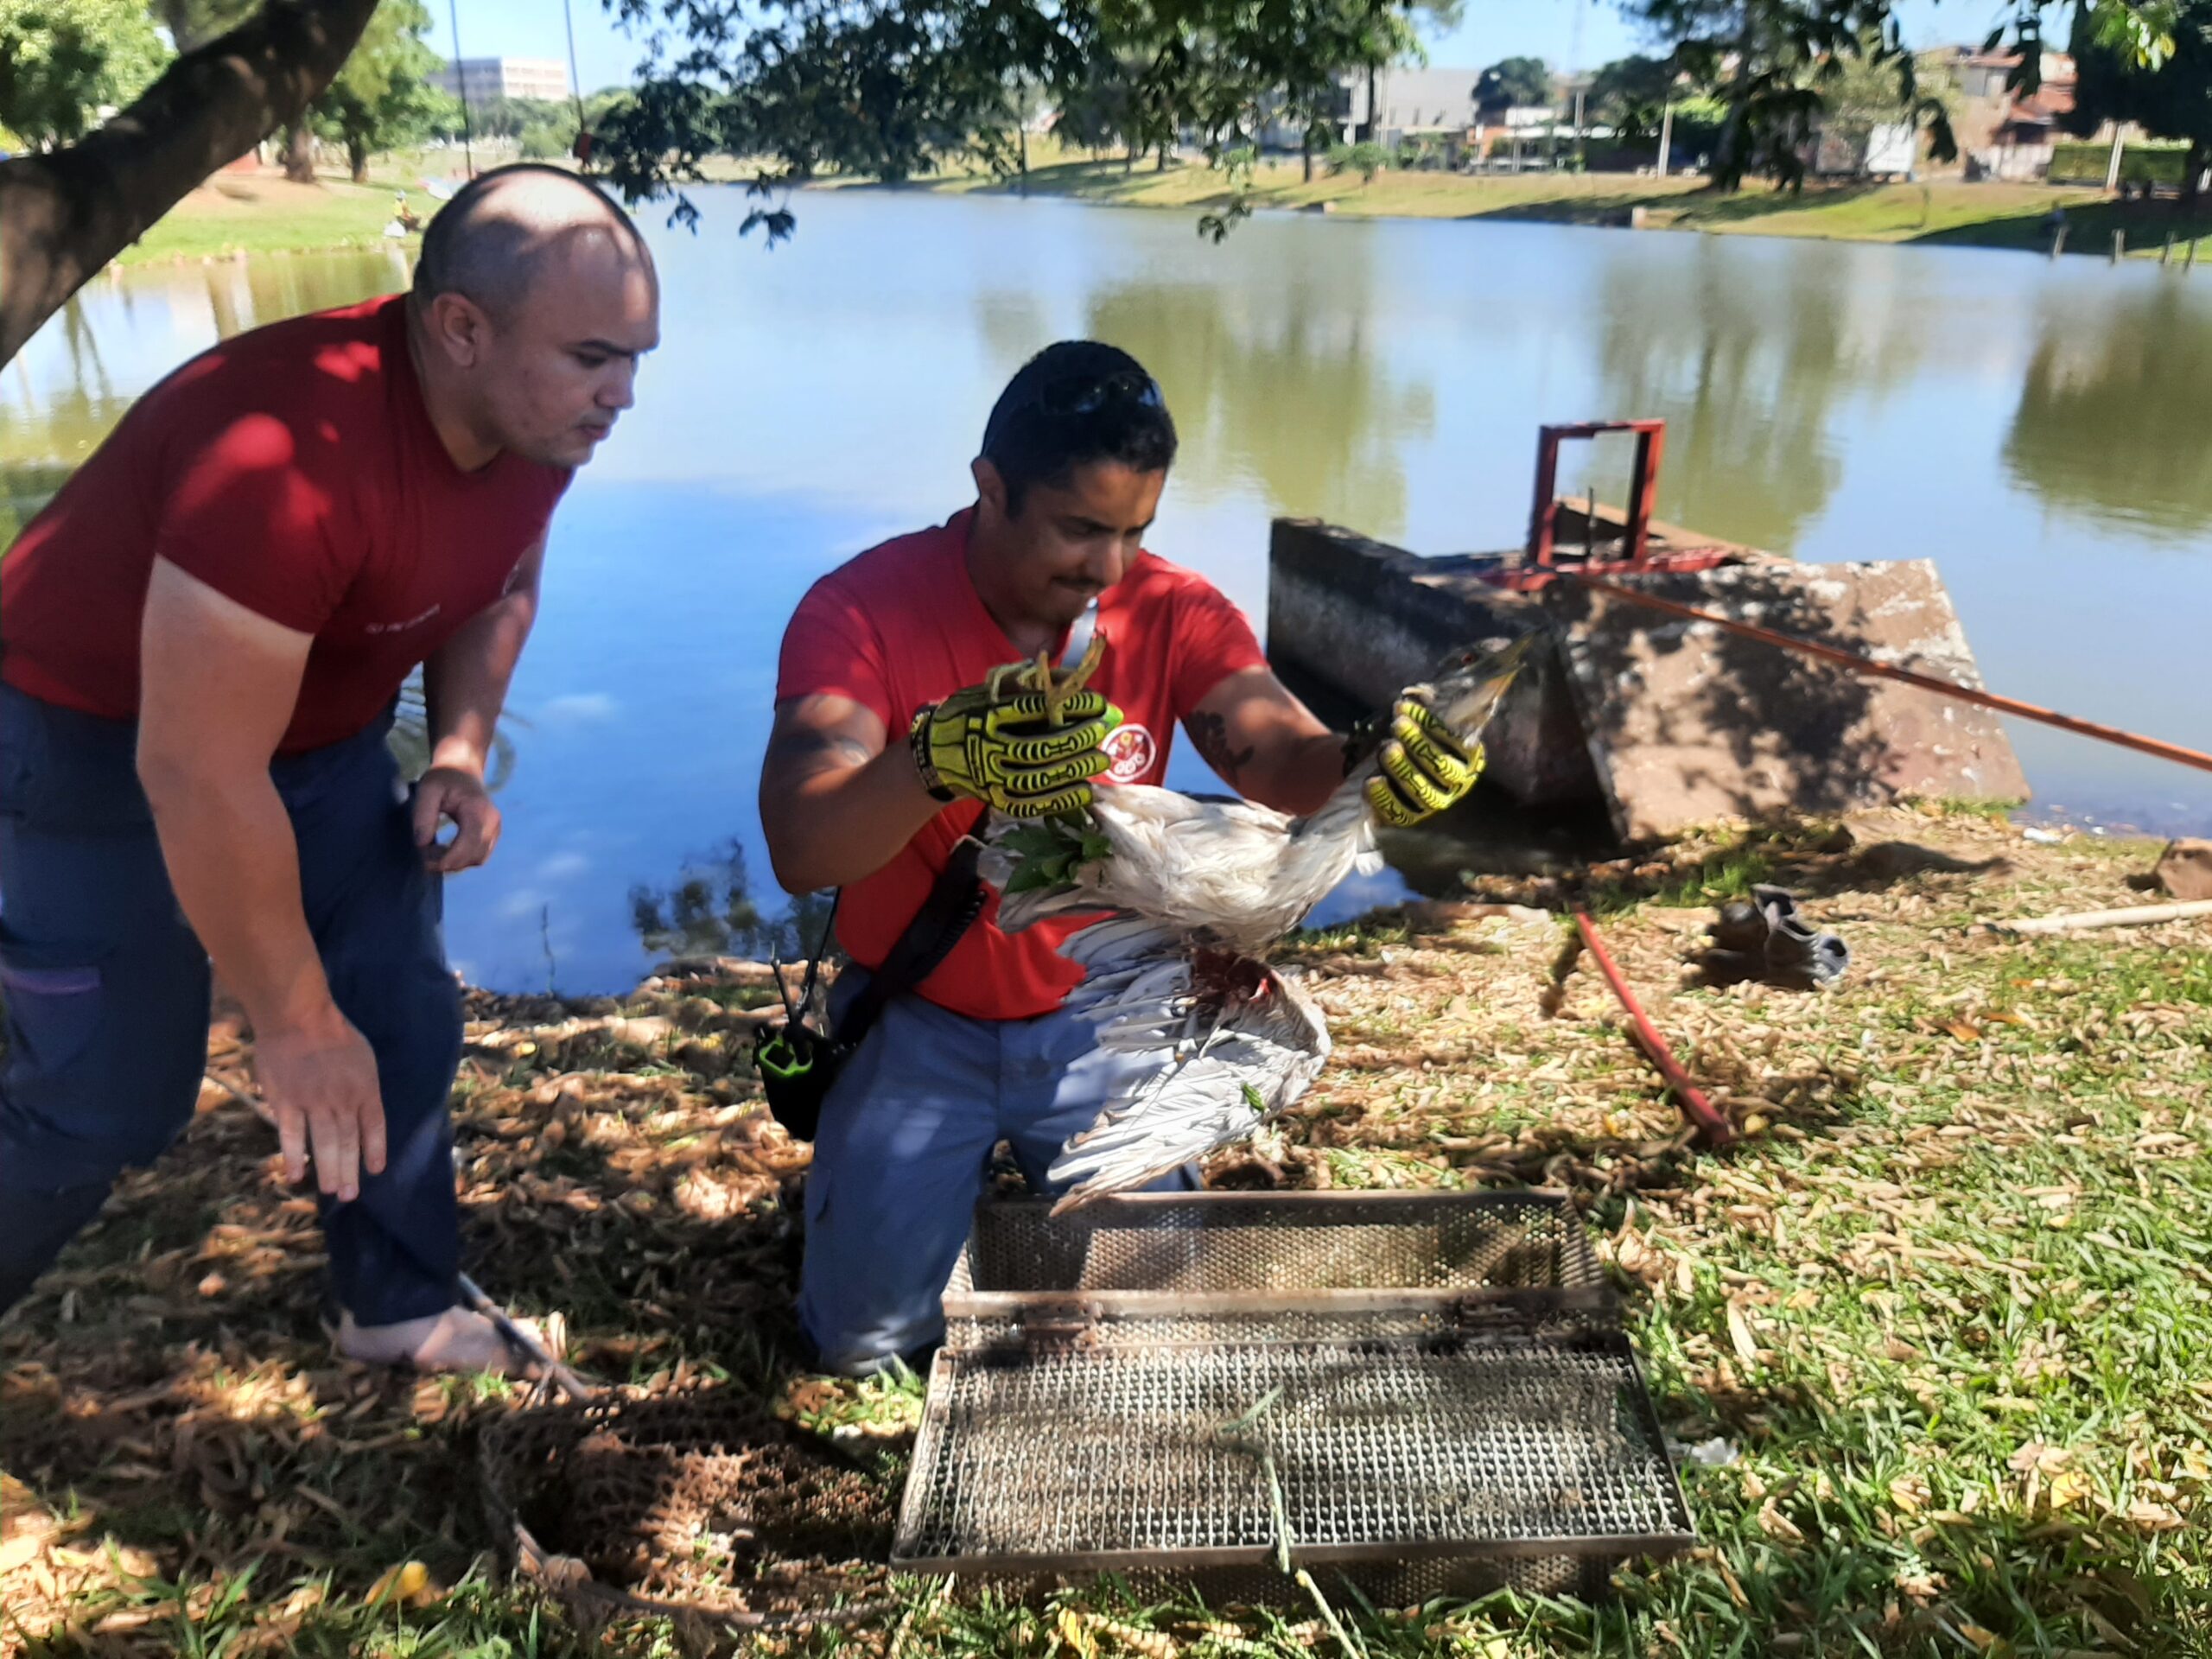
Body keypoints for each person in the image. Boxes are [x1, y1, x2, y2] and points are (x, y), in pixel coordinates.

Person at [0, 164, 660, 1370]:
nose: (621, 395)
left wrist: (458, 749)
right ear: (461, 327)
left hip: (317, 736)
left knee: (399, 1012)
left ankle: (395, 1307)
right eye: (594, 358)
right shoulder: (290, 449)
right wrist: (290, 1013)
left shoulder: (539, 422)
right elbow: (198, 770)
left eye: (638, 361)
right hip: (82, 739)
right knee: (104, 1098)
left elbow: (501, 578)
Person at [760, 341, 1483, 1375]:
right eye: (1080, 529)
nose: (1107, 566)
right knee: (857, 1351)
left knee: (1154, 1330)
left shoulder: (1169, 609)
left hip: (1104, 1016)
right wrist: (933, 760)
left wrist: (1368, 764)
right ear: (991, 488)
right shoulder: (860, 611)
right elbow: (799, 838)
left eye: (1135, 530)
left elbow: (1272, 748)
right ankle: (912, 1224)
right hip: (916, 1020)